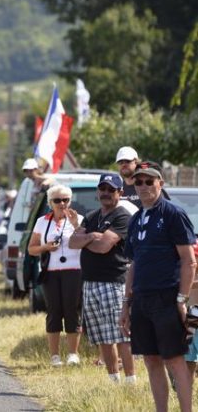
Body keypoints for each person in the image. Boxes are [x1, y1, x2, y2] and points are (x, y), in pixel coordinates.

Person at [119, 161, 196, 412]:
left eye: (149, 181)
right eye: (138, 181)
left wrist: (181, 300)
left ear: (160, 184)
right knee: (151, 360)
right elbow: (133, 264)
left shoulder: (173, 213)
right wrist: (126, 304)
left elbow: (189, 261)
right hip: (141, 298)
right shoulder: (136, 219)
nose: (143, 186)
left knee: (175, 360)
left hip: (168, 296)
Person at [69, 174, 136, 383]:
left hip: (114, 282)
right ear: (98, 192)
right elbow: (72, 242)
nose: (106, 193)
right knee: (103, 337)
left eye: (111, 189)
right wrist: (91, 236)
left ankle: (130, 381)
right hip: (90, 282)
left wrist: (88, 240)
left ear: (120, 193)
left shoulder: (122, 216)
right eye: (103, 189)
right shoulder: (91, 216)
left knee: (122, 336)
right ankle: (113, 379)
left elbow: (103, 246)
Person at [27, 184, 84, 367]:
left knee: (72, 310)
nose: (62, 204)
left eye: (65, 200)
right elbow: (31, 249)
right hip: (51, 273)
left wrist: (76, 225)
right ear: (50, 203)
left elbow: (86, 242)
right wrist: (46, 247)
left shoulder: (79, 219)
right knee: (53, 312)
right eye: (57, 200)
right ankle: (54, 356)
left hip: (74, 271)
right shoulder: (42, 221)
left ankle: (73, 354)